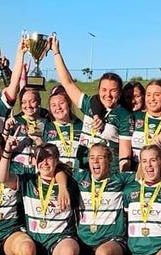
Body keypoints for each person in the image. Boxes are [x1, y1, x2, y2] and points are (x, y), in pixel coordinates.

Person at [50, 35, 133, 173]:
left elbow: (125, 155)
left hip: (107, 176)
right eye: (104, 90)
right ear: (98, 90)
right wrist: (56, 52)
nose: (108, 94)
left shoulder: (124, 116)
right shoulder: (90, 104)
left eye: (113, 90)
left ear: (119, 93)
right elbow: (67, 83)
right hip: (82, 173)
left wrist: (121, 178)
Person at [41, 86, 85, 169]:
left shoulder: (81, 126)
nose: (58, 107)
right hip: (56, 176)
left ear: (69, 104)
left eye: (61, 103)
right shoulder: (46, 128)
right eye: (53, 105)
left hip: (79, 177)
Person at [3, 88, 47, 167]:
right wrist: (6, 130)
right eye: (24, 102)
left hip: (39, 169)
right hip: (16, 170)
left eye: (32, 101)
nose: (28, 106)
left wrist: (39, 141)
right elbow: (1, 147)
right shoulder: (14, 122)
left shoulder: (47, 122)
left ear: (39, 101)